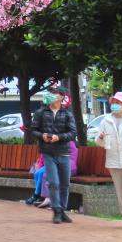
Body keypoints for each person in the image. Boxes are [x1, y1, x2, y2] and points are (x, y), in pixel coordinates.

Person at [30, 91, 77, 224]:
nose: (51, 96)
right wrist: (42, 136)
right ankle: (56, 210)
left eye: (54, 94)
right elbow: (33, 130)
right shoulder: (41, 112)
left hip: (64, 153)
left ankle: (62, 211)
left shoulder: (67, 114)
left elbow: (73, 133)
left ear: (61, 97)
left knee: (65, 184)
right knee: (53, 182)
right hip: (48, 152)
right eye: (50, 93)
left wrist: (59, 137)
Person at [96, 92, 122, 231]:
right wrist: (101, 138)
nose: (114, 105)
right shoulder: (105, 121)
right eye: (113, 102)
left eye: (117, 103)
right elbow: (100, 143)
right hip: (114, 161)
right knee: (121, 192)